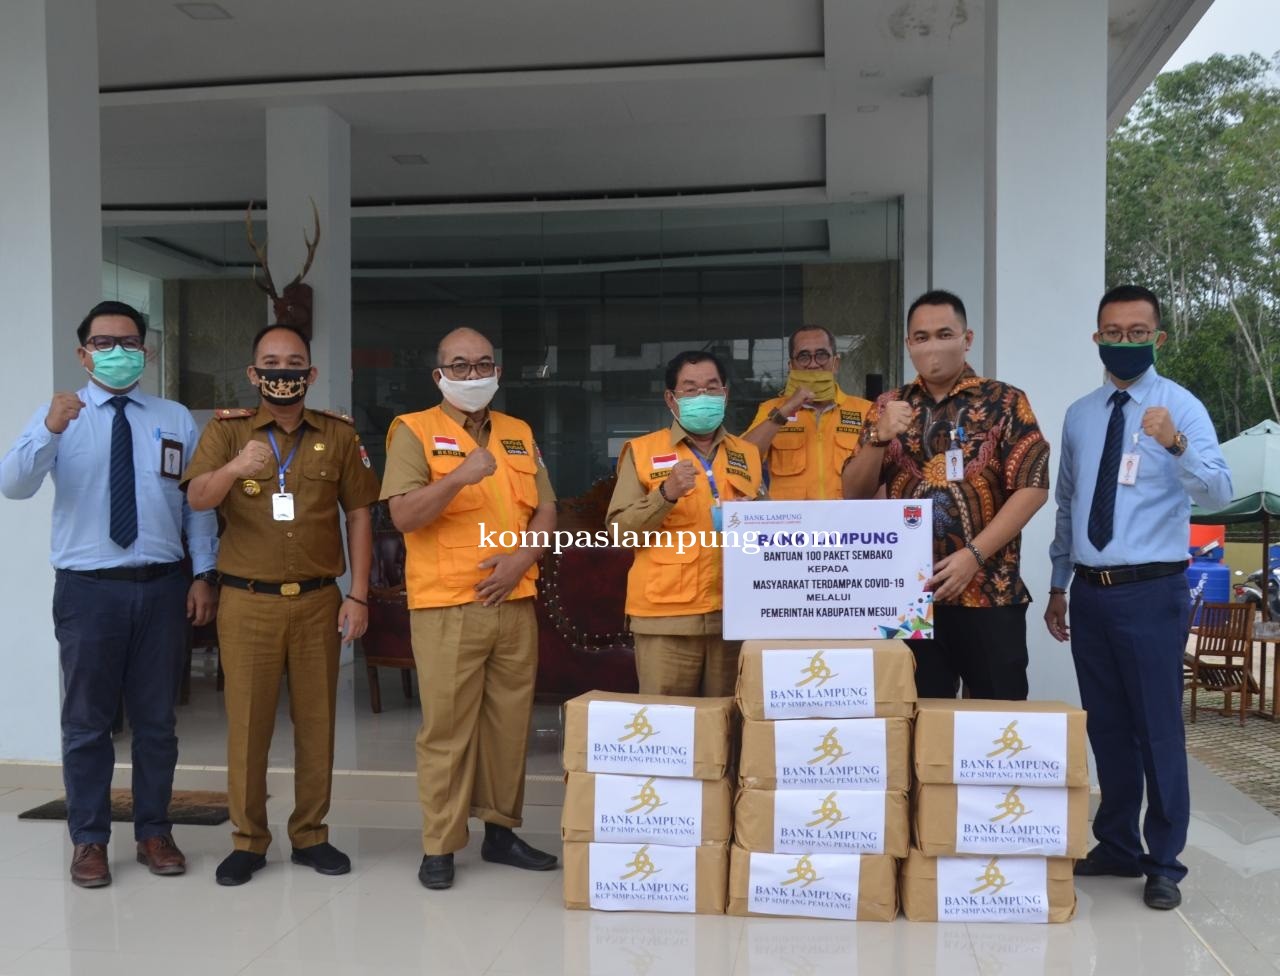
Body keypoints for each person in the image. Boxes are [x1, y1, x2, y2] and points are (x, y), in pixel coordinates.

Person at [0, 300, 218, 888]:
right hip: (88, 592)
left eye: (129, 343)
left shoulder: (171, 416)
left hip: (161, 588)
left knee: (156, 723)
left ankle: (154, 830)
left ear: (146, 353)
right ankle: (89, 840)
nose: (117, 352)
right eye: (103, 343)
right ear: (82, 353)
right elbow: (12, 485)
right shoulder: (59, 415)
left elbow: (196, 504)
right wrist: (48, 428)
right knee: (87, 723)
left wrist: (204, 573)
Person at [1045, 284, 1232, 911]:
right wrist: (1057, 584)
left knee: (1157, 729)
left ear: (1159, 337)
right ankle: (1117, 842)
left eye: (1137, 331)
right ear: (1097, 337)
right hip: (1092, 594)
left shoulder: (1181, 407)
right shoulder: (1080, 413)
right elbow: (1069, 503)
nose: (1125, 342)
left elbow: (1219, 494)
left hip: (1153, 591)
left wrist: (1175, 445)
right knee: (1109, 727)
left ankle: (1163, 861)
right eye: (1113, 332)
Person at [182, 324, 378, 886]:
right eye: (270, 362)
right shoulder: (227, 433)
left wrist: (358, 594)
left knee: (318, 723)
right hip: (247, 602)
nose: (282, 372)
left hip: (320, 601)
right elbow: (197, 497)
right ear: (253, 374)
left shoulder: (339, 435)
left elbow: (360, 514)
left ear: (310, 374)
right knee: (247, 726)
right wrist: (234, 469)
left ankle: (311, 835)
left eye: (294, 363)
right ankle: (248, 840)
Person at [381, 327, 558, 891]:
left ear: (498, 371)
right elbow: (404, 516)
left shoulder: (518, 432)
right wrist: (459, 475)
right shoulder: (413, 430)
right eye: (459, 365)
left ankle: (501, 832)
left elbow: (547, 508)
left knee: (510, 727)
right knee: (448, 730)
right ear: (439, 375)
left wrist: (520, 560)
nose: (472, 374)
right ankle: (440, 844)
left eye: (483, 363)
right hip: (448, 606)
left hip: (515, 599)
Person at [842, 289, 1049, 699]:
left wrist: (973, 556)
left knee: (995, 721)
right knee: (916, 719)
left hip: (990, 592)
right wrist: (878, 438)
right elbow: (855, 494)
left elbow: (1032, 486)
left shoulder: (1005, 401)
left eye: (944, 334)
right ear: (908, 344)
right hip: (908, 597)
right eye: (921, 337)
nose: (932, 346)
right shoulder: (888, 405)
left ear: (966, 339)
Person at [607, 350, 765, 697]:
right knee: (670, 733)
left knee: (727, 730)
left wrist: (755, 516)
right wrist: (665, 494)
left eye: (711, 388)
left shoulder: (747, 454)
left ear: (725, 394)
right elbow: (618, 532)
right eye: (690, 389)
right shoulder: (643, 451)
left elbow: (770, 534)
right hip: (666, 619)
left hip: (734, 616)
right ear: (671, 399)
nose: (702, 397)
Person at [743, 325, 873, 499]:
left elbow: (880, 475)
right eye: (804, 356)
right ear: (791, 365)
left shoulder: (866, 411)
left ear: (836, 363)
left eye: (821, 355)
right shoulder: (772, 409)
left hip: (847, 522)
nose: (813, 364)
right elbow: (741, 459)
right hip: (792, 524)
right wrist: (785, 411)